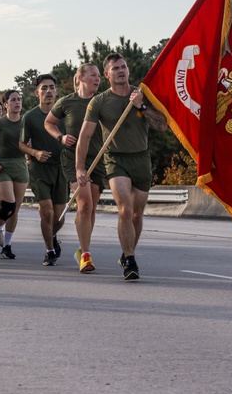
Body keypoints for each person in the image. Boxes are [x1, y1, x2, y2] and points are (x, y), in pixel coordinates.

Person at [75, 53, 166, 281]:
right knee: (125, 209)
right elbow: (84, 137)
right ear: (107, 74)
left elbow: (162, 125)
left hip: (141, 158)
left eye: (123, 66)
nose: (121, 70)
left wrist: (142, 106)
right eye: (115, 68)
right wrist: (79, 168)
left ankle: (126, 253)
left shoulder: (141, 94)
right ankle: (131, 260)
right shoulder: (100, 101)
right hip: (116, 160)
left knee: (137, 214)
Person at [45, 63, 105, 273]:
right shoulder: (67, 102)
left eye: (99, 76)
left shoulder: (102, 101)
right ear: (80, 77)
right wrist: (60, 137)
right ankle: (86, 255)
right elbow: (49, 123)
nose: (97, 79)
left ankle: (82, 248)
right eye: (93, 75)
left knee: (91, 207)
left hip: (97, 158)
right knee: (85, 203)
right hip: (72, 159)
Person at [20, 73, 68, 266]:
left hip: (62, 168)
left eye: (51, 88)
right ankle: (49, 250)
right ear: (36, 92)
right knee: (46, 212)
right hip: (40, 169)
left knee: (60, 216)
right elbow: (21, 144)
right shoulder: (30, 117)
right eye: (44, 88)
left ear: (56, 91)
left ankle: (52, 237)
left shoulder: (64, 115)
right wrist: (35, 153)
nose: (48, 91)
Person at [0, 90, 27, 259]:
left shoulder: (26, 123)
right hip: (2, 166)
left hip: (20, 165)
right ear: (6, 104)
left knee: (15, 210)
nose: (17, 102)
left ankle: (8, 245)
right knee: (8, 205)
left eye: (19, 99)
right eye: (13, 100)